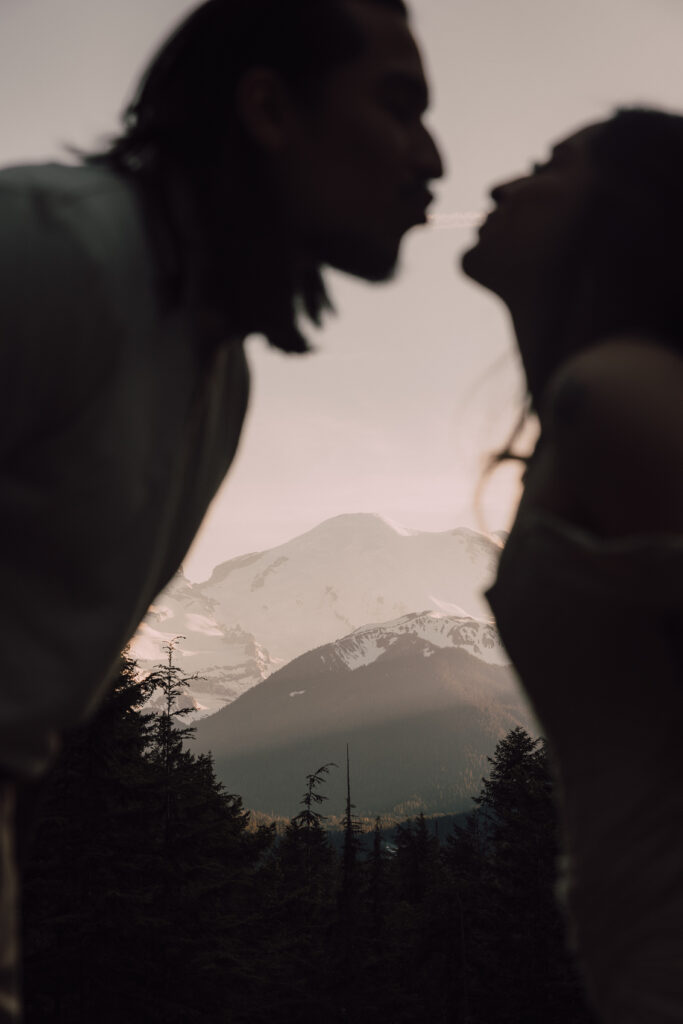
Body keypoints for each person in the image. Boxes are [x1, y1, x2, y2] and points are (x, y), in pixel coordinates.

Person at [0, 0, 443, 1018]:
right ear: (268, 110)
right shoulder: (48, 251)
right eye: (396, 104)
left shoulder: (213, 374)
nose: (431, 157)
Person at [462, 107, 683, 1023]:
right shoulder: (593, 399)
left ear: (622, 214)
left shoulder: (611, 393)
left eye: (550, 167)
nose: (503, 185)